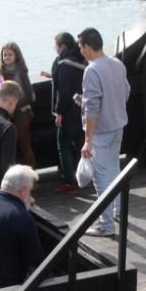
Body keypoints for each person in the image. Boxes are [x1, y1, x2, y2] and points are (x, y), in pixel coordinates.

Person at [78, 27, 130, 237]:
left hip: (101, 131)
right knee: (114, 169)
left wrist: (87, 140)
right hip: (118, 125)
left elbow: (92, 106)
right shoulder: (117, 64)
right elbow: (126, 91)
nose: (81, 51)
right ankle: (118, 211)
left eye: (81, 47)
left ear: (87, 47)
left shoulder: (92, 70)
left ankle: (105, 224)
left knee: (101, 177)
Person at [48, 31, 87, 194]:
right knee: (80, 144)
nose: (54, 48)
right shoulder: (80, 59)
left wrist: (59, 113)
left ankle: (70, 181)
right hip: (82, 109)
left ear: (62, 46)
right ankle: (84, 177)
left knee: (63, 145)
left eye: (55, 45)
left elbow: (64, 91)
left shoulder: (63, 63)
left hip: (68, 112)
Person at [0, 42, 36, 167]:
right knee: (13, 148)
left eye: (10, 55)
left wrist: (13, 105)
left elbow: (30, 96)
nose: (7, 57)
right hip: (8, 116)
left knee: (24, 146)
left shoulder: (20, 72)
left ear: (16, 56)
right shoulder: (1, 73)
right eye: (4, 55)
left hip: (22, 113)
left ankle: (32, 177)